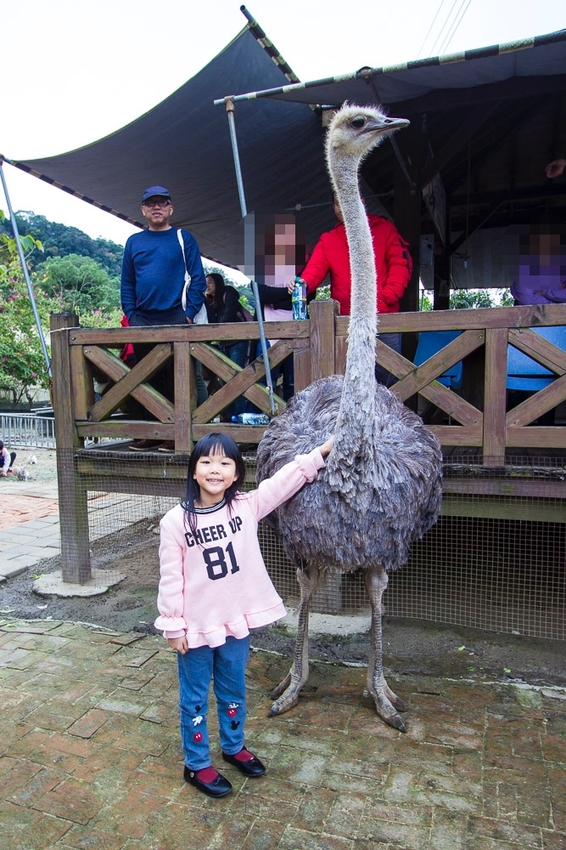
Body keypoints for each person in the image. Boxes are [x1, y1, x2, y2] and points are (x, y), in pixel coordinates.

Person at [154, 430, 333, 798]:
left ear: (236, 474)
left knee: (234, 688)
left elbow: (286, 480)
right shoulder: (175, 522)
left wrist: (323, 451)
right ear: (194, 471)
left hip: (236, 623)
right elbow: (171, 579)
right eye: (206, 462)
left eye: (224, 462)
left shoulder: (246, 506)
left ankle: (233, 747)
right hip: (198, 630)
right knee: (194, 697)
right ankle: (197, 764)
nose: (214, 469)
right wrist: (173, 625)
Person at [121, 186, 207, 452]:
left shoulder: (183, 237)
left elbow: (198, 278)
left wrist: (189, 314)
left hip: (177, 316)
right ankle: (154, 432)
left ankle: (177, 436)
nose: (156, 207)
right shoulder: (134, 242)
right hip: (143, 319)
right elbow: (127, 282)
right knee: (146, 377)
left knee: (179, 377)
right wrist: (131, 315)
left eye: (162, 203)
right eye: (151, 203)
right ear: (143, 210)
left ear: (171, 209)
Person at [295, 195, 412, 385]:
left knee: (387, 383)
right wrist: (302, 285)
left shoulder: (385, 230)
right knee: (347, 383)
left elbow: (401, 264)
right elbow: (313, 271)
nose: (342, 207)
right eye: (337, 203)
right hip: (346, 323)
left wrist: (387, 295)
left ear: (362, 201)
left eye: (346, 200)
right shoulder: (329, 240)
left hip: (383, 318)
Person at [205, 273, 250, 418]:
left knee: (236, 379)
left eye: (210, 283)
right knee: (224, 380)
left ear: (218, 283)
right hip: (224, 344)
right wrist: (207, 302)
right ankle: (229, 416)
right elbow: (211, 322)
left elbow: (228, 317)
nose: (207, 286)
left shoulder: (228, 293)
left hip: (237, 341)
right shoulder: (211, 301)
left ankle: (240, 415)